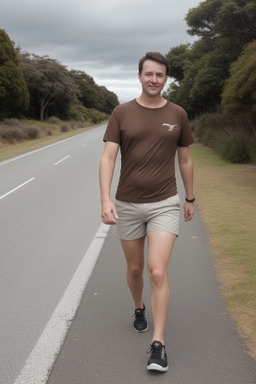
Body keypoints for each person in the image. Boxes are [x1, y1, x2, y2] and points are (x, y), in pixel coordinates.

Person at [99, 52, 194, 372]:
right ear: (140, 76)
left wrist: (190, 198)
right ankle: (139, 307)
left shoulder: (178, 113)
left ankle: (158, 344)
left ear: (165, 79)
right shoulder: (121, 113)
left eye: (160, 75)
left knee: (156, 270)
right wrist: (105, 199)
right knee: (136, 268)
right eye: (149, 74)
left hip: (164, 202)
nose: (155, 79)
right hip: (127, 203)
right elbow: (108, 158)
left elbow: (185, 159)